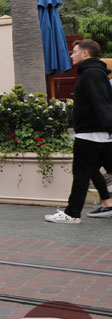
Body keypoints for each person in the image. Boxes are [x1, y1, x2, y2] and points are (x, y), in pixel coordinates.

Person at [45, 39, 112, 224]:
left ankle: (72, 213)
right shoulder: (97, 74)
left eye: (74, 52)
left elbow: (101, 102)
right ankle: (107, 202)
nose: (71, 55)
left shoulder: (90, 74)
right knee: (90, 170)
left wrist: (110, 127)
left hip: (90, 134)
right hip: (98, 134)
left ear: (85, 53)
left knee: (81, 173)